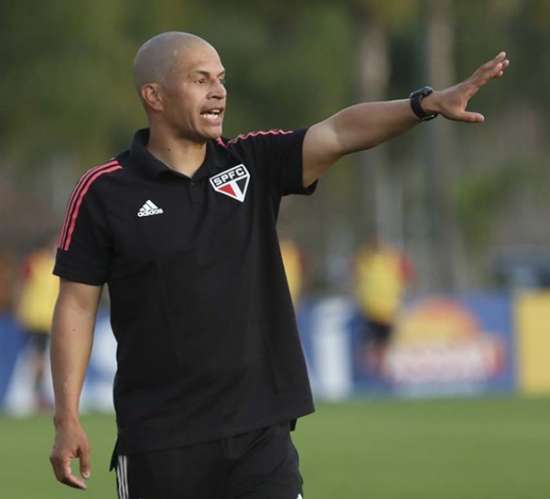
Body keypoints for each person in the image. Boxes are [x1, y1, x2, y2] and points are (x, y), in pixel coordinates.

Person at [49, 31, 508, 498]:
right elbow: (76, 307)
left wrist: (424, 105)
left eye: (221, 79)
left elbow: (340, 132)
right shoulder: (103, 192)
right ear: (154, 95)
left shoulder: (250, 162)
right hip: (159, 444)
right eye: (199, 79)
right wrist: (66, 417)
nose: (218, 91)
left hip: (260, 435)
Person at [354, 239, 414, 377]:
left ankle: (379, 372)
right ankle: (370, 372)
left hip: (387, 310)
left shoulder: (391, 260)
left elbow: (407, 272)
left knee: (383, 344)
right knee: (371, 344)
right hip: (372, 309)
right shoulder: (367, 260)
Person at [16, 237, 59, 411]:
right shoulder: (36, 262)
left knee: (43, 357)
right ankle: (38, 395)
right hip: (36, 318)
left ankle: (40, 394)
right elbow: (21, 286)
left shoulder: (57, 264)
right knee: (39, 357)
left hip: (49, 319)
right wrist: (19, 307)